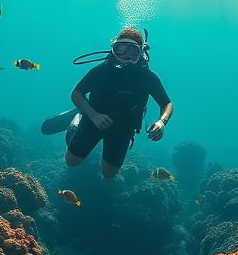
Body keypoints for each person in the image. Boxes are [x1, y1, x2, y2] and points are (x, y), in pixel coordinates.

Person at [65, 27, 173, 178]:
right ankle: (77, 118)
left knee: (109, 174)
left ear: (141, 52)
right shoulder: (101, 71)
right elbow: (77, 93)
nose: (127, 56)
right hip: (93, 119)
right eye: (121, 49)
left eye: (133, 51)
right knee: (71, 162)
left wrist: (161, 122)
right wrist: (93, 115)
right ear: (114, 50)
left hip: (123, 128)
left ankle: (83, 110)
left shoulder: (148, 77)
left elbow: (166, 103)